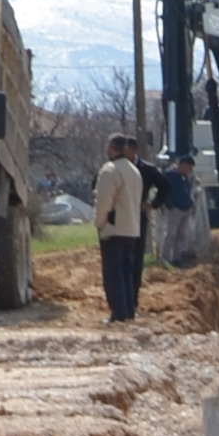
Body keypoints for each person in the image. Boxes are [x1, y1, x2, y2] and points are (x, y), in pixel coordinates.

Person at [93, 131, 153, 322]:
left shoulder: (110, 170)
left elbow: (104, 202)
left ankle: (118, 313)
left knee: (113, 274)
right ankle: (128, 311)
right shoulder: (134, 171)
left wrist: (99, 223)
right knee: (127, 273)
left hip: (114, 229)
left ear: (111, 148)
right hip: (132, 228)